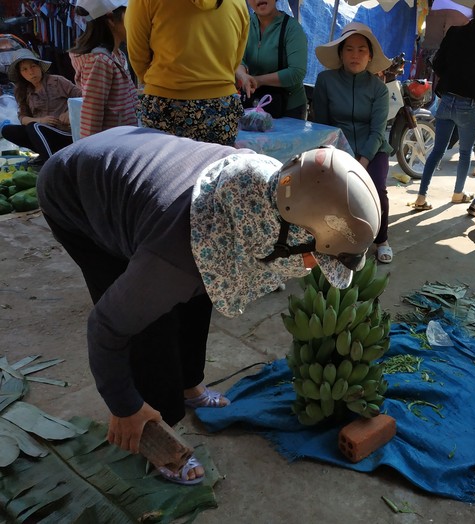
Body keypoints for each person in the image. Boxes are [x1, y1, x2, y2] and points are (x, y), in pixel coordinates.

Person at [36, 126, 381, 484]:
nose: (311, 268)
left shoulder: (262, 190)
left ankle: (189, 385)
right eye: (315, 257)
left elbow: (211, 275)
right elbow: (105, 327)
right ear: (289, 235)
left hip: (127, 158)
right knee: (148, 327)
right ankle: (160, 430)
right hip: (73, 190)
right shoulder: (171, 258)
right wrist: (123, 406)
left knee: (202, 290)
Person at [411, 0, 475, 212]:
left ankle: (421, 196)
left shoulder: (454, 32)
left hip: (446, 99)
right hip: (467, 103)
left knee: (437, 149)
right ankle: (458, 194)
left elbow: (437, 64)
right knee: (465, 152)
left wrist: (451, 79)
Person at [313, 23, 394, 264]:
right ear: (340, 54)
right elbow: (322, 125)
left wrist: (363, 161)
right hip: (338, 149)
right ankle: (337, 239)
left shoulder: (379, 89)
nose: (355, 55)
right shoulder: (325, 80)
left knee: (377, 188)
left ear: (370, 57)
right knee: (333, 191)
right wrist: (335, 156)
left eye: (361, 50)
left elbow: (378, 131)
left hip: (373, 150)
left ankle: (382, 240)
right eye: (349, 49)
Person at [125, 0, 249, 146]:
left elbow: (137, 54)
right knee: (213, 167)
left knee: (164, 168)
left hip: (164, 104)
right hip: (221, 109)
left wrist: (162, 82)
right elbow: (234, 60)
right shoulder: (238, 2)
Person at [69, 0, 138, 138]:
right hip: (111, 146)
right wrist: (90, 154)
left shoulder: (118, 55)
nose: (135, 21)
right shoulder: (99, 61)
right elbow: (91, 115)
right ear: (111, 19)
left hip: (126, 141)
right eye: (130, 15)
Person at [0, 49, 81, 164]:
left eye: (33, 66)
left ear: (40, 67)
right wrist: (40, 120)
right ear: (21, 74)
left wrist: (69, 113)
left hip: (64, 133)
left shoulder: (58, 81)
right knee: (8, 130)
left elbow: (82, 98)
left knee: (34, 127)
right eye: (25, 69)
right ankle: (45, 154)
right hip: (40, 132)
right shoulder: (22, 91)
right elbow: (23, 118)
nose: (31, 72)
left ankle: (51, 165)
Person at [235, 0, 308, 120]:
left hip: (289, 109)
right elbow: (237, 59)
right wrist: (243, 76)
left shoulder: (292, 28)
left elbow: (297, 72)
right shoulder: (245, 24)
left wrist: (258, 81)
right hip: (254, 104)